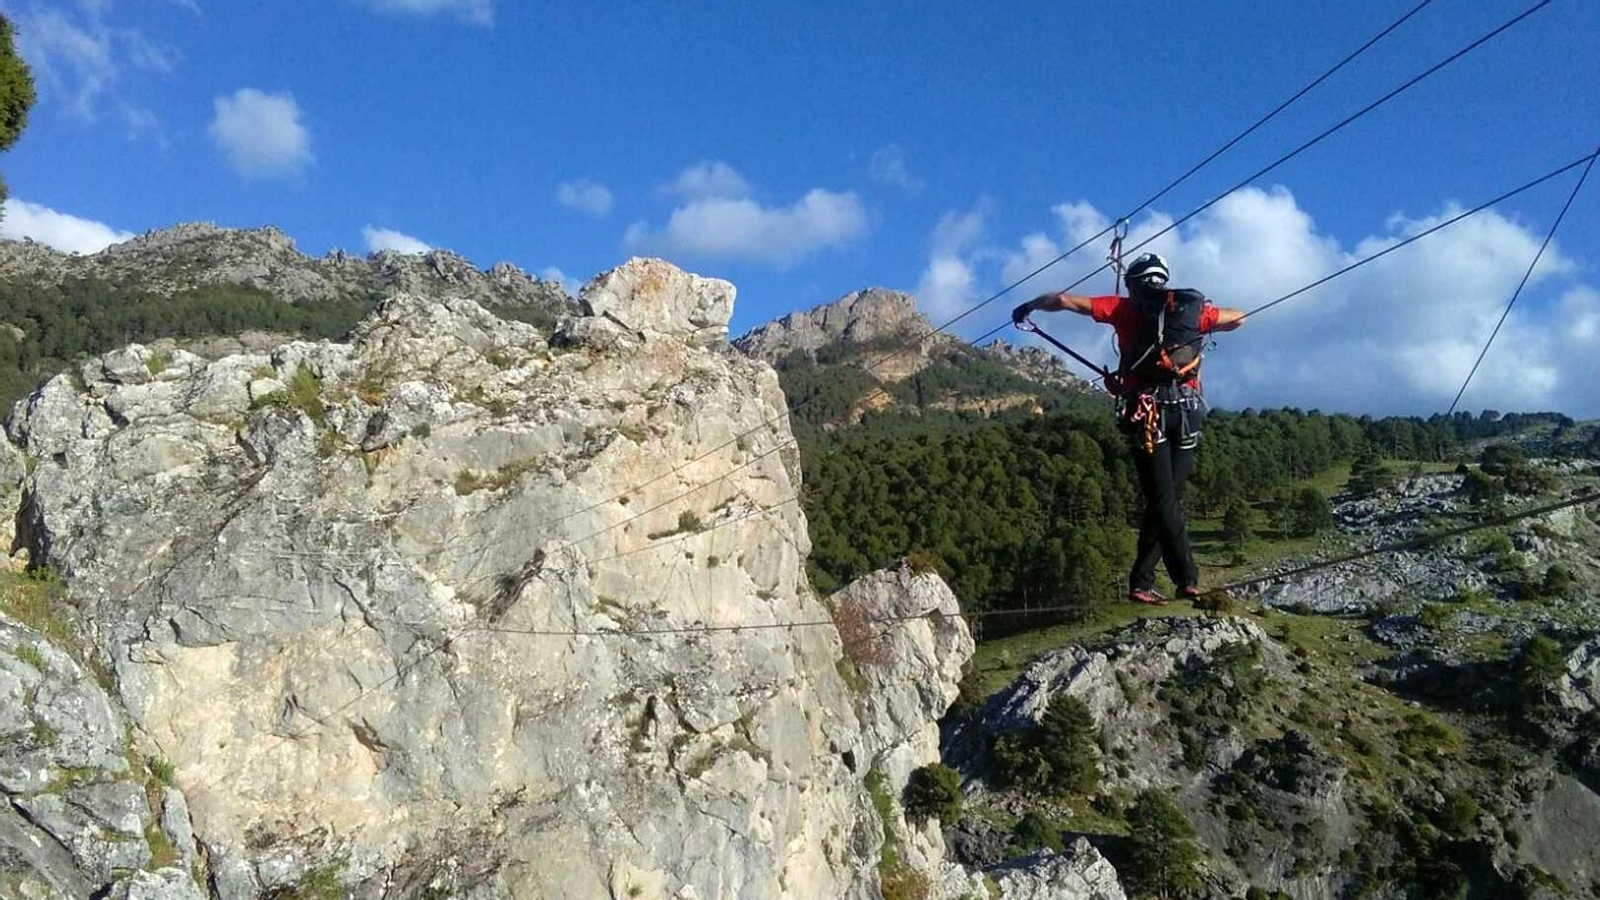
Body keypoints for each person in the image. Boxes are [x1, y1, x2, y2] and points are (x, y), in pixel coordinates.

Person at [1012, 253, 1246, 604]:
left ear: (1133, 283)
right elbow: (1239, 319)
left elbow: (1062, 300)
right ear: (1163, 282)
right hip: (1188, 411)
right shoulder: (1193, 312)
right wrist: (1201, 322)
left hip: (1146, 413)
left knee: (1162, 498)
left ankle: (1186, 578)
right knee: (1167, 498)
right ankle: (1142, 580)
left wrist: (1028, 307)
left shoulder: (1123, 308)